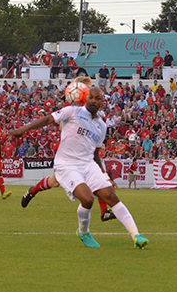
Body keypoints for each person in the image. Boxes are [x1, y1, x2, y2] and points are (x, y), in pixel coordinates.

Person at [10, 87, 149, 249]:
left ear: (102, 102)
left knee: (110, 195)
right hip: (67, 165)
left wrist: (104, 175)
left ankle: (136, 235)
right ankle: (83, 232)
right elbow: (48, 119)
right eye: (91, 97)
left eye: (98, 99)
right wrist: (23, 129)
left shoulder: (101, 126)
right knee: (87, 198)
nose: (94, 101)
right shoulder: (73, 111)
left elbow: (96, 154)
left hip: (88, 164)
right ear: (85, 98)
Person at [20, 76, 117, 223]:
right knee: (54, 182)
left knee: (95, 179)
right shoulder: (72, 106)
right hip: (69, 152)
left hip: (82, 153)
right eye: (85, 89)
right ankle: (32, 191)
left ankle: (104, 211)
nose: (87, 93)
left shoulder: (89, 109)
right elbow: (61, 123)